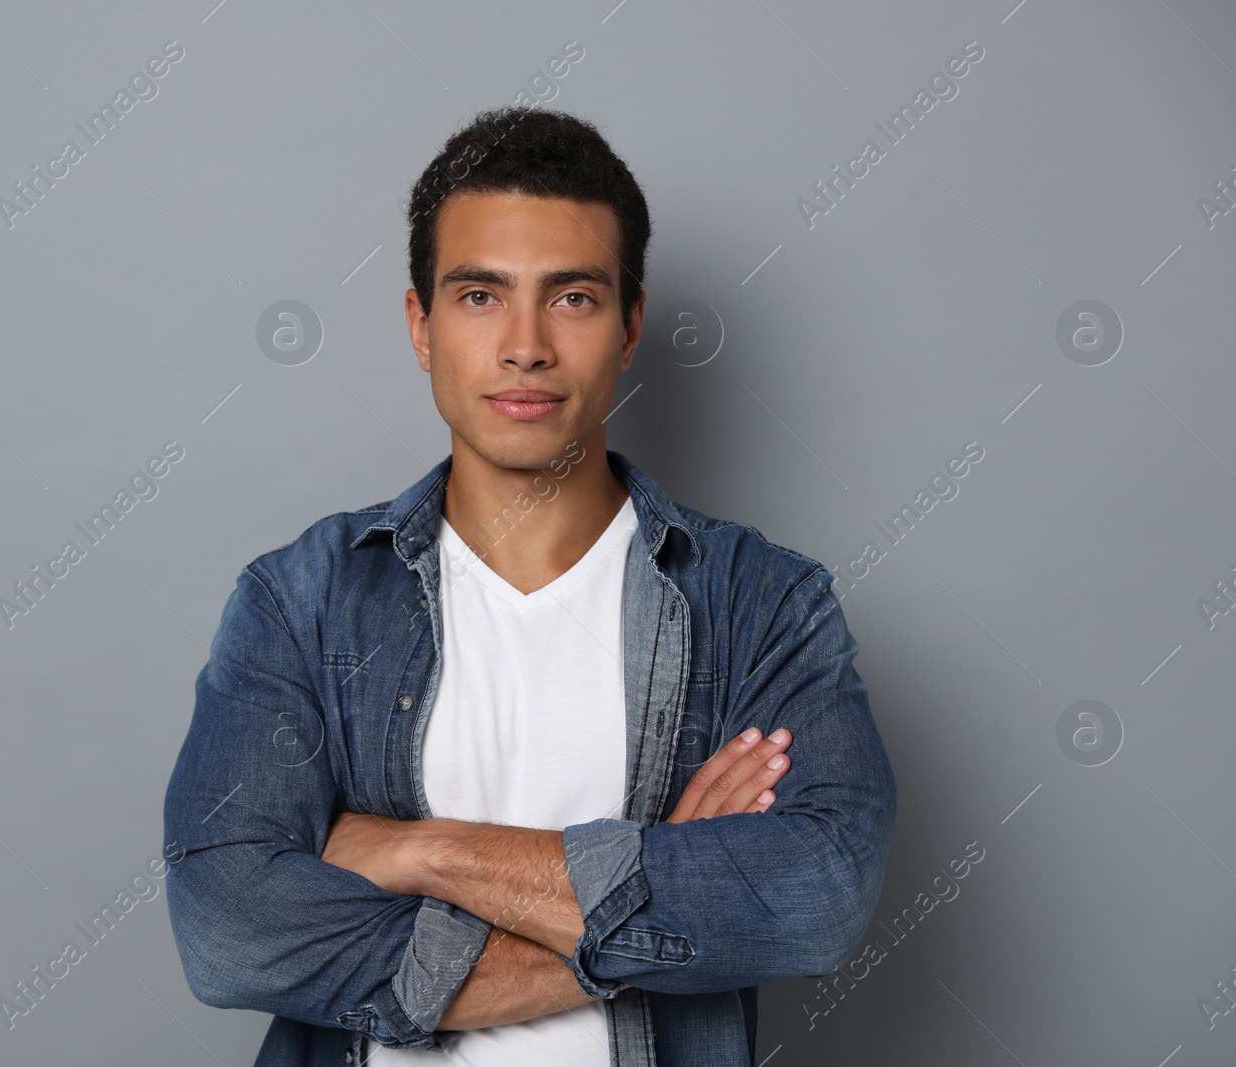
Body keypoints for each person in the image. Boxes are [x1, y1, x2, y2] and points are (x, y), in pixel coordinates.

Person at [163, 106, 896, 1067]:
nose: (524, 346)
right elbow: (228, 931)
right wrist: (662, 886)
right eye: (479, 295)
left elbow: (818, 895)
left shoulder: (764, 605)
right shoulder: (298, 601)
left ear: (630, 326)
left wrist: (426, 851)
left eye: (573, 298)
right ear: (421, 326)